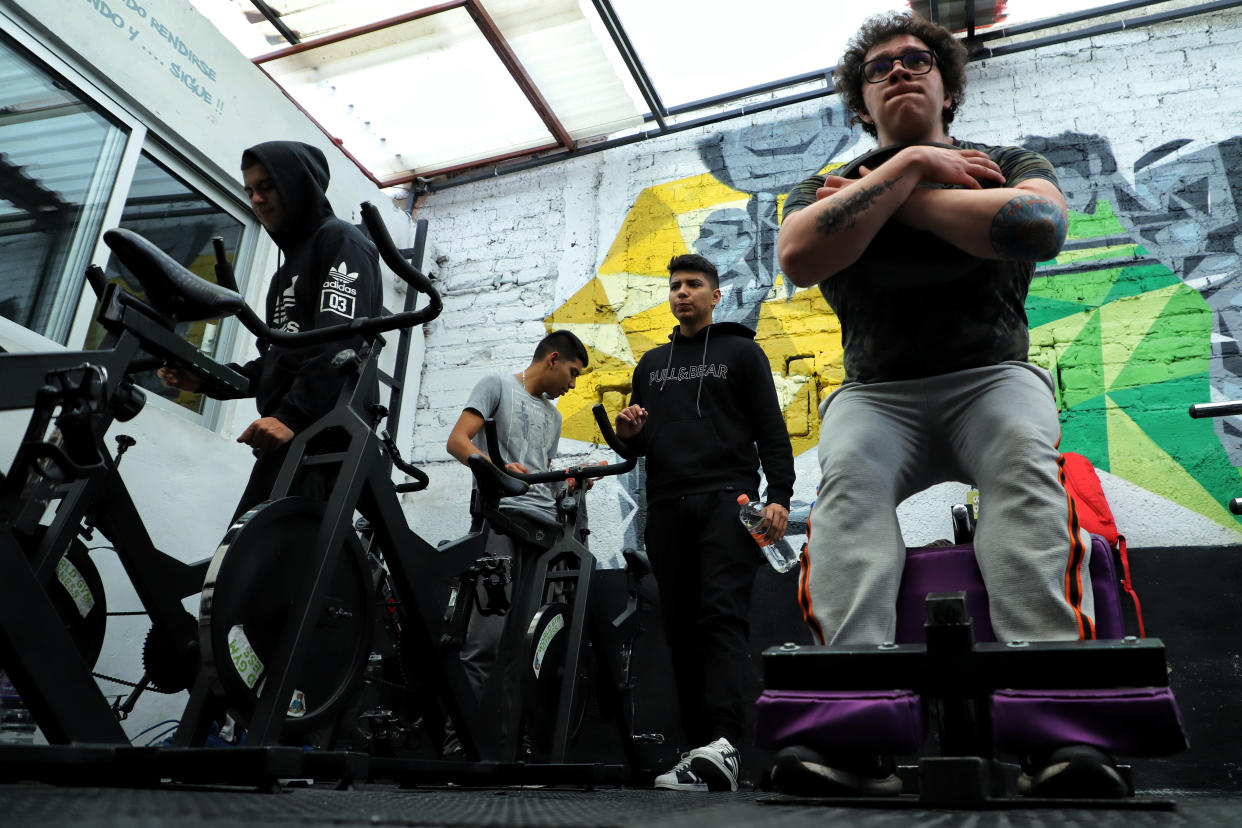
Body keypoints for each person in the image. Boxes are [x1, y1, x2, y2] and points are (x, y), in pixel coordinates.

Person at [772, 12, 1124, 798]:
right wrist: (920, 172)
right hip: (877, 395)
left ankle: (1059, 734)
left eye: (918, 60)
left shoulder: (1006, 161)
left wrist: (889, 194)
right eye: (880, 67)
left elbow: (1033, 226)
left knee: (1024, 475)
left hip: (990, 378)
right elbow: (799, 256)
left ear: (947, 86)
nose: (900, 70)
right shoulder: (821, 188)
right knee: (845, 492)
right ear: (861, 104)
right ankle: (853, 735)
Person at [615, 253, 795, 792]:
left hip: (727, 501)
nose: (682, 293)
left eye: (693, 284)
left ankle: (726, 744)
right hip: (666, 508)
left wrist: (779, 495)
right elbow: (638, 446)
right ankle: (697, 752)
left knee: (721, 618)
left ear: (716, 296)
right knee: (680, 630)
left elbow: (770, 427)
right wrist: (628, 432)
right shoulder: (650, 363)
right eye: (674, 286)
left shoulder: (742, 351)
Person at [159, 140, 381, 520]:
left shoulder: (340, 240)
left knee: (270, 564)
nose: (256, 200)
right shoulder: (284, 275)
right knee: (242, 561)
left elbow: (340, 340)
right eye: (249, 191)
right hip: (291, 434)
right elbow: (277, 363)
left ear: (298, 185)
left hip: (326, 434)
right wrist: (207, 380)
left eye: (267, 186)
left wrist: (292, 417)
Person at [442, 329, 588, 756]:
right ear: (554, 359)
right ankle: (456, 750)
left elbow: (541, 478)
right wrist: (501, 470)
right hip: (503, 525)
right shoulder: (497, 385)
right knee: (483, 643)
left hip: (542, 533)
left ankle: (505, 752)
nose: (573, 384)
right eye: (573, 373)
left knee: (520, 653)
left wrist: (572, 483)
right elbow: (457, 442)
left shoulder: (554, 417)